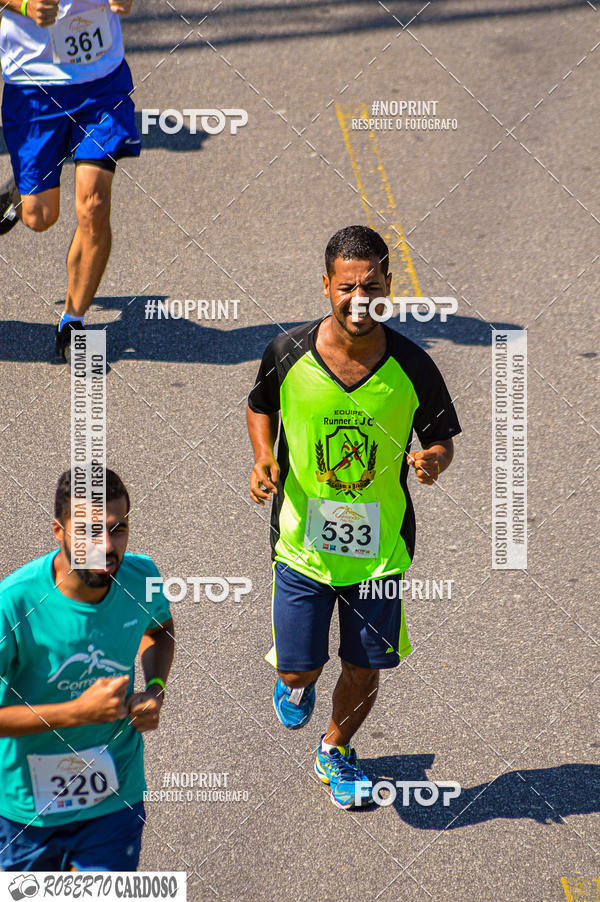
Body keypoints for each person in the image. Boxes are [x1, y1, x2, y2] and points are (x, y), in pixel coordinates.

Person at [246, 225, 461, 809]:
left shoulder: (414, 366)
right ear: (326, 287)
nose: (358, 298)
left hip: (379, 552)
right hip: (301, 546)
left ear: (389, 286)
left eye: (371, 285)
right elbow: (259, 405)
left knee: (365, 669)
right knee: (297, 676)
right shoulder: (287, 353)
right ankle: (298, 682)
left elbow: (442, 437)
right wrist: (263, 457)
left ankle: (336, 748)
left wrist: (432, 461)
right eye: (346, 286)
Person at [0, 467, 174, 870]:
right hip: (26, 815)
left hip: (114, 800)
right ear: (58, 531)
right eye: (90, 532)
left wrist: (156, 688)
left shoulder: (142, 575)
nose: (106, 547)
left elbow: (161, 628)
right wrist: (77, 713)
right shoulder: (15, 604)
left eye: (117, 529)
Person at [0, 0, 140, 361]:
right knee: (39, 217)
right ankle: (19, 192)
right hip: (33, 84)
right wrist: (23, 4)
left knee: (94, 203)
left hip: (102, 81)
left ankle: (73, 319)